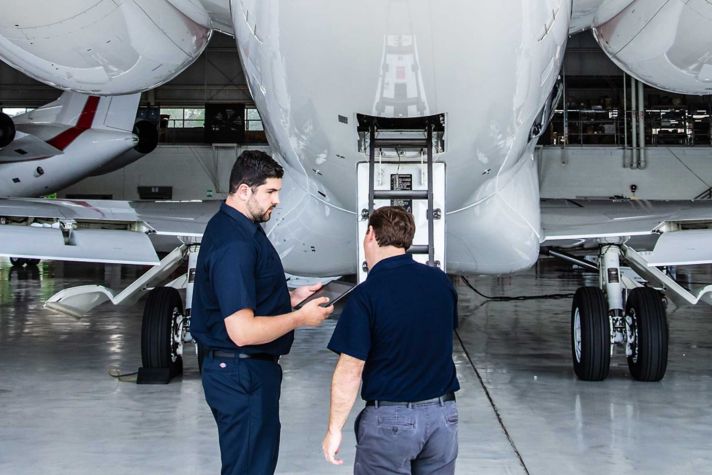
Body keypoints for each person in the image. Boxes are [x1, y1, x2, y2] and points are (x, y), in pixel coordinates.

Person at [191, 150, 334, 475]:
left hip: (241, 371)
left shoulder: (235, 228)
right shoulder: (235, 244)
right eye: (270, 192)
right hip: (242, 373)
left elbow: (237, 295)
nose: (277, 200)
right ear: (244, 190)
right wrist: (300, 318)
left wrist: (290, 297)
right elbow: (241, 330)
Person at [322, 206, 460, 474]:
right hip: (443, 416)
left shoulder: (366, 295)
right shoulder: (441, 283)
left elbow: (351, 369)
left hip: (391, 421)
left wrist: (334, 429)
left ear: (371, 235)